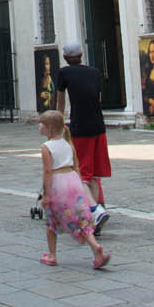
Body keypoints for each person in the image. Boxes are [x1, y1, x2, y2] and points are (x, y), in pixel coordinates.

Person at [36, 109, 110, 269]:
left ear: (49, 128)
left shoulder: (46, 147)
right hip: (73, 181)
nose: (39, 126)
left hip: (58, 183)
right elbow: (76, 166)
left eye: (41, 123)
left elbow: (47, 171)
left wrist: (46, 195)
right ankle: (96, 248)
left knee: (50, 223)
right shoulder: (68, 143)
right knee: (81, 219)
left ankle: (52, 255)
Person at [54, 44, 111, 232]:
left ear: (64, 57)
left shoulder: (64, 73)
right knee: (93, 174)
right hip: (99, 126)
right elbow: (98, 98)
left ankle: (95, 210)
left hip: (80, 127)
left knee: (81, 173)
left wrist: (57, 124)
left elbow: (61, 101)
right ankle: (95, 211)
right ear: (81, 55)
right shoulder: (94, 72)